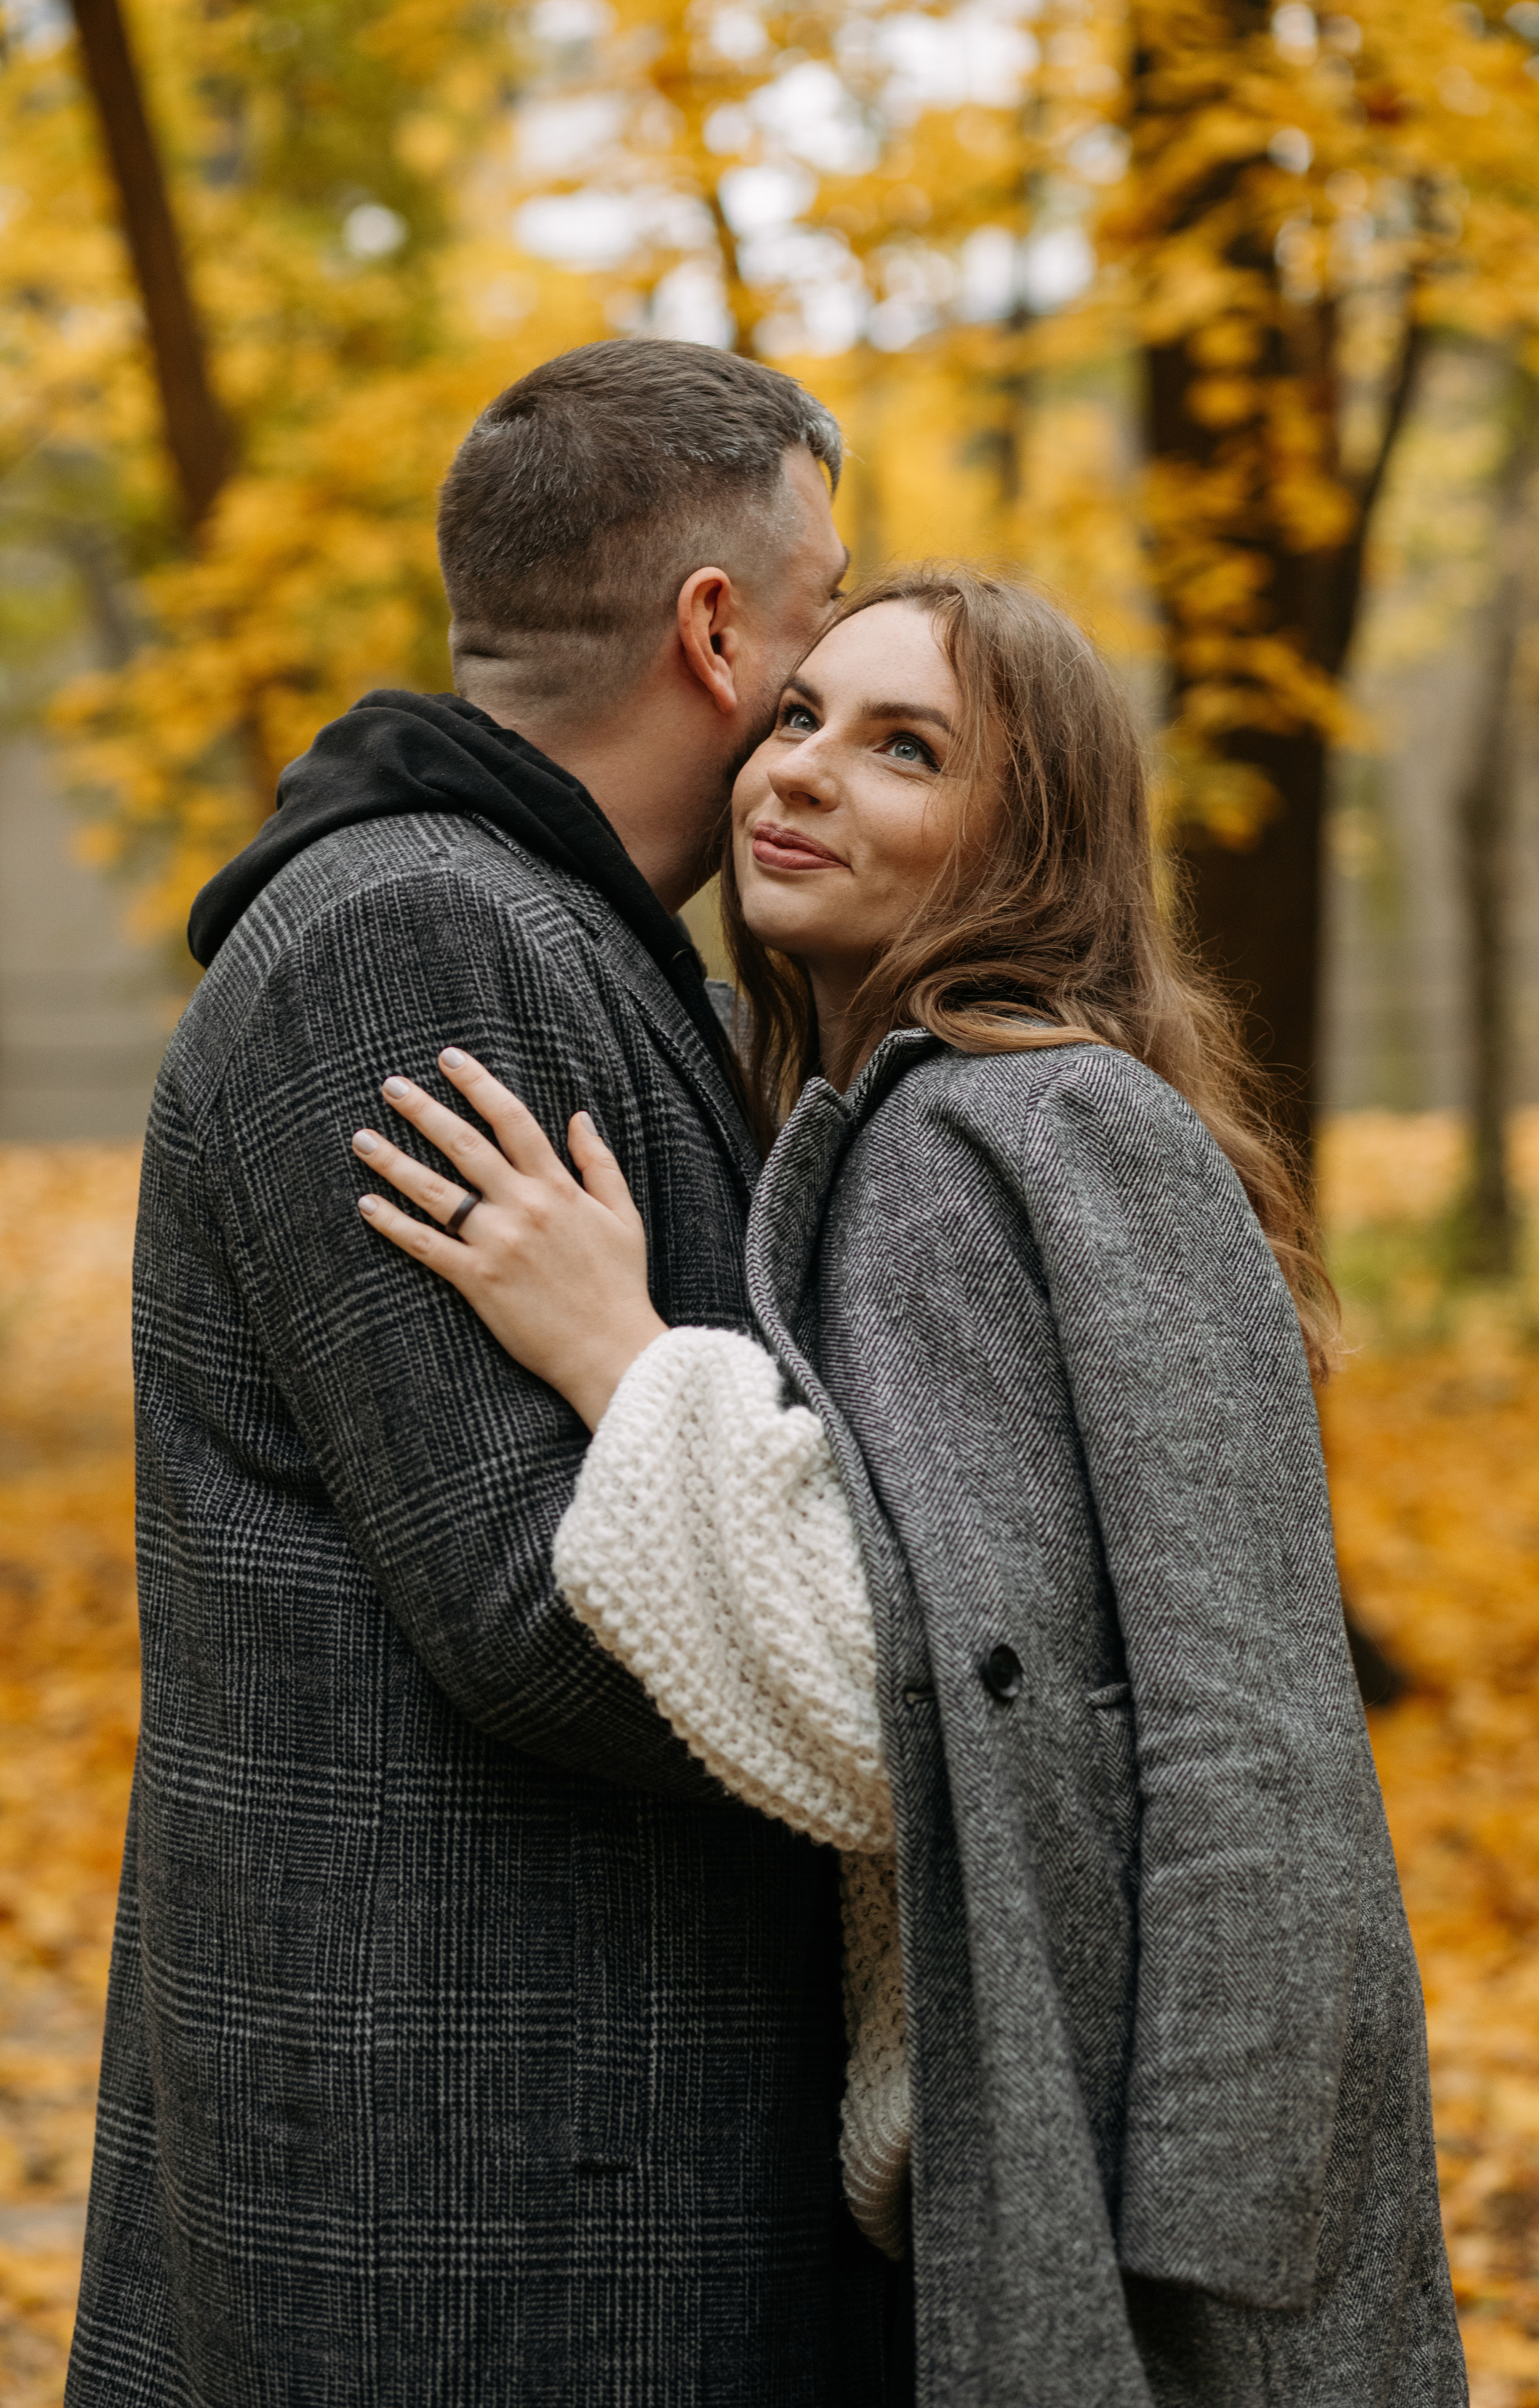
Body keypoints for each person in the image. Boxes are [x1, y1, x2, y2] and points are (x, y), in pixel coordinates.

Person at [351, 568, 1469, 2406]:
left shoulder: (1036, 1124)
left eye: (907, 750)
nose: (802, 770)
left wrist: (620, 1356)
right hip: (1029, 2130)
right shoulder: (900, 1126)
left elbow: (1202, 1697)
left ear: (1026, 844)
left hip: (1143, 2164)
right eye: (799, 717)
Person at [65, 340, 908, 2408]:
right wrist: (935, 1671)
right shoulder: (415, 944)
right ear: (715, 631)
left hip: (554, 2134)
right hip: (474, 2171)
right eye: (816, 631)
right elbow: (546, 1613)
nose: (819, 696)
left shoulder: (549, 932)